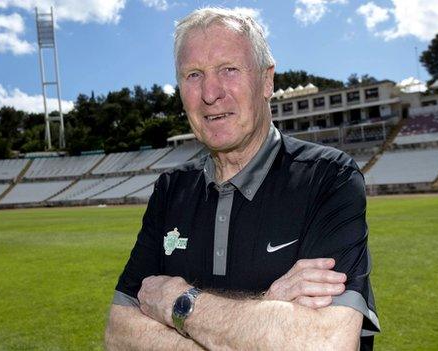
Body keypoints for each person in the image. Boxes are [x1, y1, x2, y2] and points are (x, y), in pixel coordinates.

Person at [105, 7, 380, 350]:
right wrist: (267, 311)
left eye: (229, 70)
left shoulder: (329, 177)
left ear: (267, 81)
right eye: (193, 75)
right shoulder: (170, 189)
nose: (210, 93)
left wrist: (180, 302)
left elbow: (325, 343)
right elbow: (119, 334)